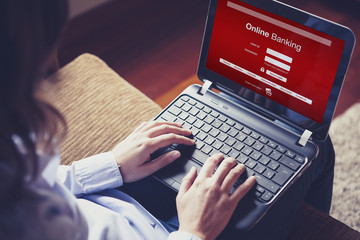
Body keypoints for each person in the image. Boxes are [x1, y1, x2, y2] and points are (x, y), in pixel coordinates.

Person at [0, 0, 335, 239]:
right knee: (316, 145)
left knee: (264, 115)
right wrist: (194, 231)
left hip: (117, 201)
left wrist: (111, 165)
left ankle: (257, 85)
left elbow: (42, 183)